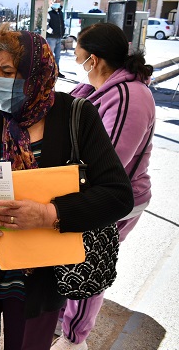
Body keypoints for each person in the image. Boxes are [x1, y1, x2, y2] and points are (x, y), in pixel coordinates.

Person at [0, 25, 134, 350]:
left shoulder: (77, 117)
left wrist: (48, 214)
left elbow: (118, 196)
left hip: (42, 280)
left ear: (36, 71)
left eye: (7, 71)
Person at [52, 23, 155, 350]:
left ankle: (74, 338)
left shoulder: (130, 97)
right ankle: (64, 318)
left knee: (88, 261)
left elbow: (109, 166)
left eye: (78, 53)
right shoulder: (101, 90)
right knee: (70, 257)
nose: (75, 58)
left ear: (93, 59)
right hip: (86, 191)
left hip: (112, 198)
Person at [47, 0, 66, 78]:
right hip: (51, 38)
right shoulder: (49, 12)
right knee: (50, 56)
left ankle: (57, 71)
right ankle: (49, 72)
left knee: (57, 56)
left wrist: (63, 32)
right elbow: (46, 24)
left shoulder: (60, 12)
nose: (57, 3)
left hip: (59, 37)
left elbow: (62, 23)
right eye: (55, 1)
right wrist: (52, 31)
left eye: (58, 1)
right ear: (52, 2)